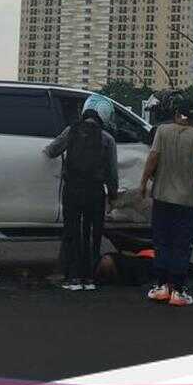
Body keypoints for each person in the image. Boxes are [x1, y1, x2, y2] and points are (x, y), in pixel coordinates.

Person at [138, 94, 193, 307]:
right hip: (185, 200)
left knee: (162, 242)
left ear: (176, 114)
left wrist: (143, 183)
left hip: (162, 197)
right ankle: (179, 291)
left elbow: (153, 158)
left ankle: (160, 286)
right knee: (181, 245)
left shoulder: (163, 132)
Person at [43, 99, 118, 291]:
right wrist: (113, 194)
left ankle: (72, 278)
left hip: (73, 190)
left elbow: (51, 151)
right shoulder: (107, 138)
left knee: (72, 232)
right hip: (95, 191)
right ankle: (90, 278)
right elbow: (112, 171)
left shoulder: (72, 131)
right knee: (93, 235)